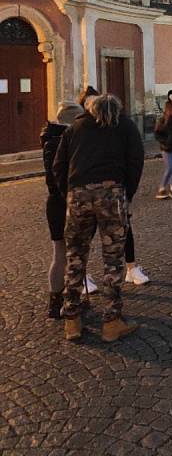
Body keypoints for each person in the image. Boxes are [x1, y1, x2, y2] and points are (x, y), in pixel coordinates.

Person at [53, 94, 144, 342]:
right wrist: (127, 194)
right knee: (113, 260)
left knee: (75, 257)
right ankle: (111, 321)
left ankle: (72, 320)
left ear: (89, 109)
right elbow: (136, 162)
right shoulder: (125, 126)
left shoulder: (75, 128)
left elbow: (58, 166)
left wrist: (69, 192)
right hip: (112, 194)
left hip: (78, 194)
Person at [41, 101, 84, 318]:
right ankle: (72, 301)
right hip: (69, 202)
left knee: (58, 253)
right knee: (75, 254)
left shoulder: (49, 140)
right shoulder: (69, 141)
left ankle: (54, 301)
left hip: (54, 204)